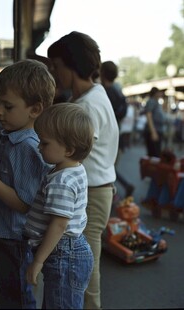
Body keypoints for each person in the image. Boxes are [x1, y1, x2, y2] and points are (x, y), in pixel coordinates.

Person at [0, 59, 56, 309]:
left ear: (35, 109)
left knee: (14, 297)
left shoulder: (26, 147)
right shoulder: (15, 139)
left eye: (7, 106)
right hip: (7, 234)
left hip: (14, 237)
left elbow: (24, 203)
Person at [47, 31, 119, 309]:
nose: (54, 72)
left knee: (83, 267)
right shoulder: (93, 96)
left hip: (92, 194)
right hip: (95, 191)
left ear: (70, 65)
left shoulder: (87, 106)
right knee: (83, 265)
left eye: (56, 66)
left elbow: (66, 155)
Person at [24, 103, 94, 309]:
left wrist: (38, 261)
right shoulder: (73, 168)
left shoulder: (61, 181)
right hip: (68, 252)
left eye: (44, 143)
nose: (38, 147)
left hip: (63, 255)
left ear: (69, 149)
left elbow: (59, 225)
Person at [100, 61, 135, 198]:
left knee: (108, 167)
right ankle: (119, 189)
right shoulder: (118, 90)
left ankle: (115, 192)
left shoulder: (104, 92)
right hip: (117, 133)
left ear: (102, 73)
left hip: (107, 136)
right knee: (110, 166)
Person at [143, 86, 166, 157]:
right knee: (154, 154)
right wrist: (153, 132)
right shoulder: (152, 101)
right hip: (154, 131)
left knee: (155, 153)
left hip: (156, 130)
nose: (161, 94)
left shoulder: (155, 102)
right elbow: (148, 116)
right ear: (156, 93)